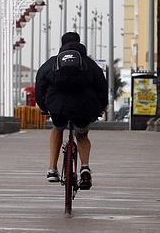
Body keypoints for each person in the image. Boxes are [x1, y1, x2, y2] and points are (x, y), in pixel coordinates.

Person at [35, 32, 108, 190]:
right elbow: (102, 86)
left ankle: (52, 169)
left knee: (58, 128)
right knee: (82, 135)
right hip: (84, 106)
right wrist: (101, 107)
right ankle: (85, 168)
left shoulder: (53, 62)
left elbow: (40, 83)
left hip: (57, 106)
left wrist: (44, 106)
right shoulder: (89, 63)